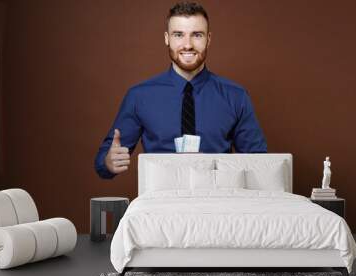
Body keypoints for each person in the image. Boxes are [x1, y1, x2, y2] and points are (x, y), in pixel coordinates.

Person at [95, 1, 267, 179]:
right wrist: (108, 162)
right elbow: (103, 162)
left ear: (208, 39)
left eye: (197, 35)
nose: (187, 45)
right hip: (159, 201)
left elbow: (259, 165)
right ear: (167, 38)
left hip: (218, 200)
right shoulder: (139, 97)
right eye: (178, 35)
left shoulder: (236, 96)